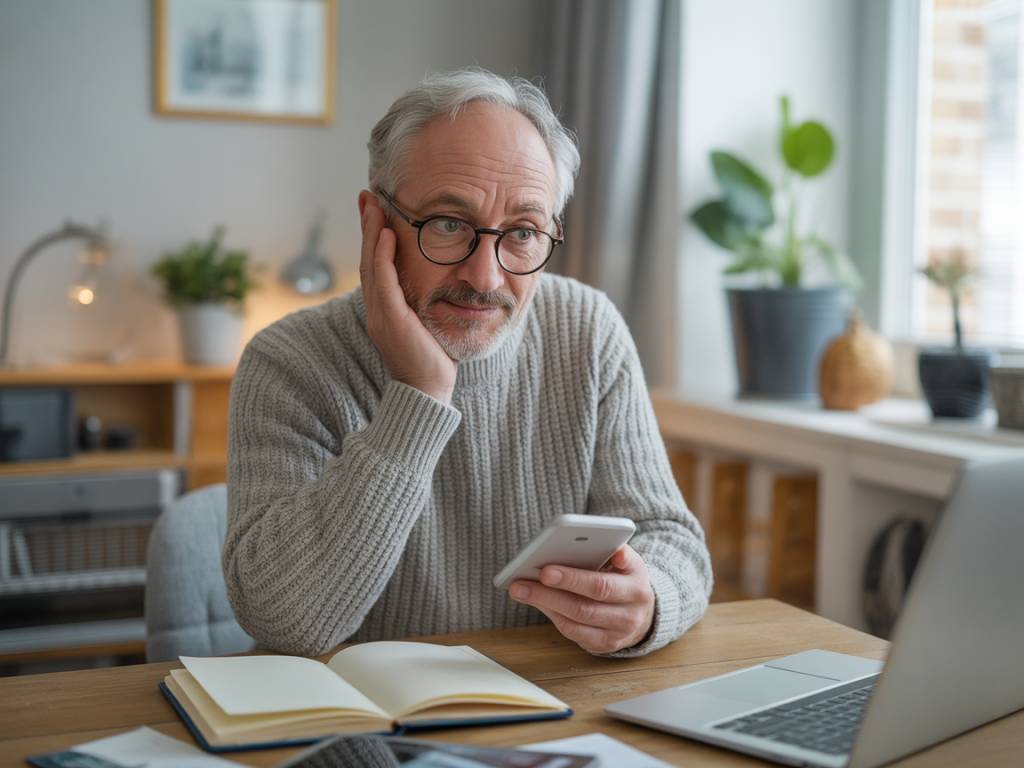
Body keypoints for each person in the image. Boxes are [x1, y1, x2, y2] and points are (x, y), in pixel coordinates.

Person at [224, 68, 712, 658]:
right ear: (375, 222)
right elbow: (282, 622)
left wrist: (649, 600)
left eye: (524, 232)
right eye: (450, 225)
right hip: (352, 727)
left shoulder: (588, 330)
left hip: (539, 719)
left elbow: (672, 538)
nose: (485, 277)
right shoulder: (289, 362)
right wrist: (421, 392)